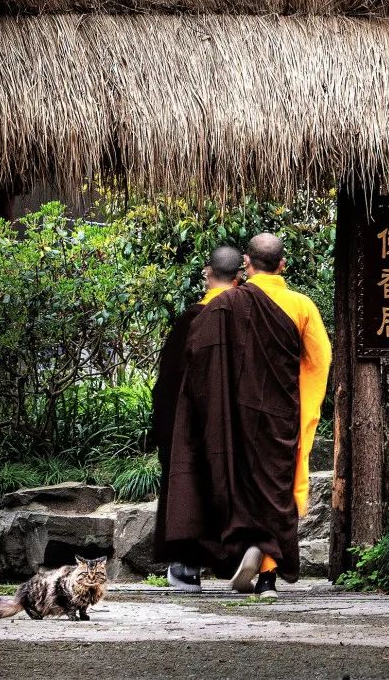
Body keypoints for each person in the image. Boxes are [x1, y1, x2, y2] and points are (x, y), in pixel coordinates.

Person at [164, 233, 332, 599]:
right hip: (280, 418)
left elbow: (199, 353)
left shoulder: (225, 303)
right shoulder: (302, 306)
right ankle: (267, 578)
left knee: (241, 488)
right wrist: (306, 409)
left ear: (247, 265)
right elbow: (320, 362)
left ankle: (245, 550)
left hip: (237, 417)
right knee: (276, 491)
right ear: (283, 265)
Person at [151, 246, 243, 592]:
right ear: (240, 277)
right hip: (235, 426)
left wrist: (165, 428)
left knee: (188, 484)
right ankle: (248, 561)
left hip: (187, 424)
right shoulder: (248, 318)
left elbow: (169, 382)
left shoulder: (191, 319)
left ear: (207, 273)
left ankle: (186, 566)